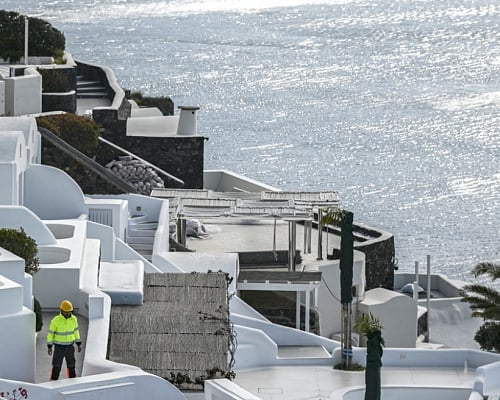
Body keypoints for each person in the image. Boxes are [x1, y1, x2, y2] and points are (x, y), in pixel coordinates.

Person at [47, 300, 82, 380]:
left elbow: (76, 331)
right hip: (59, 348)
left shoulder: (74, 319)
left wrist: (78, 343)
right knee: (56, 366)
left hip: (70, 347)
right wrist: (49, 346)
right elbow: (50, 334)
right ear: (62, 311)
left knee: (71, 366)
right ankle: (53, 383)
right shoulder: (55, 320)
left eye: (69, 312)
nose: (68, 313)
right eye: (66, 312)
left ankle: (72, 383)